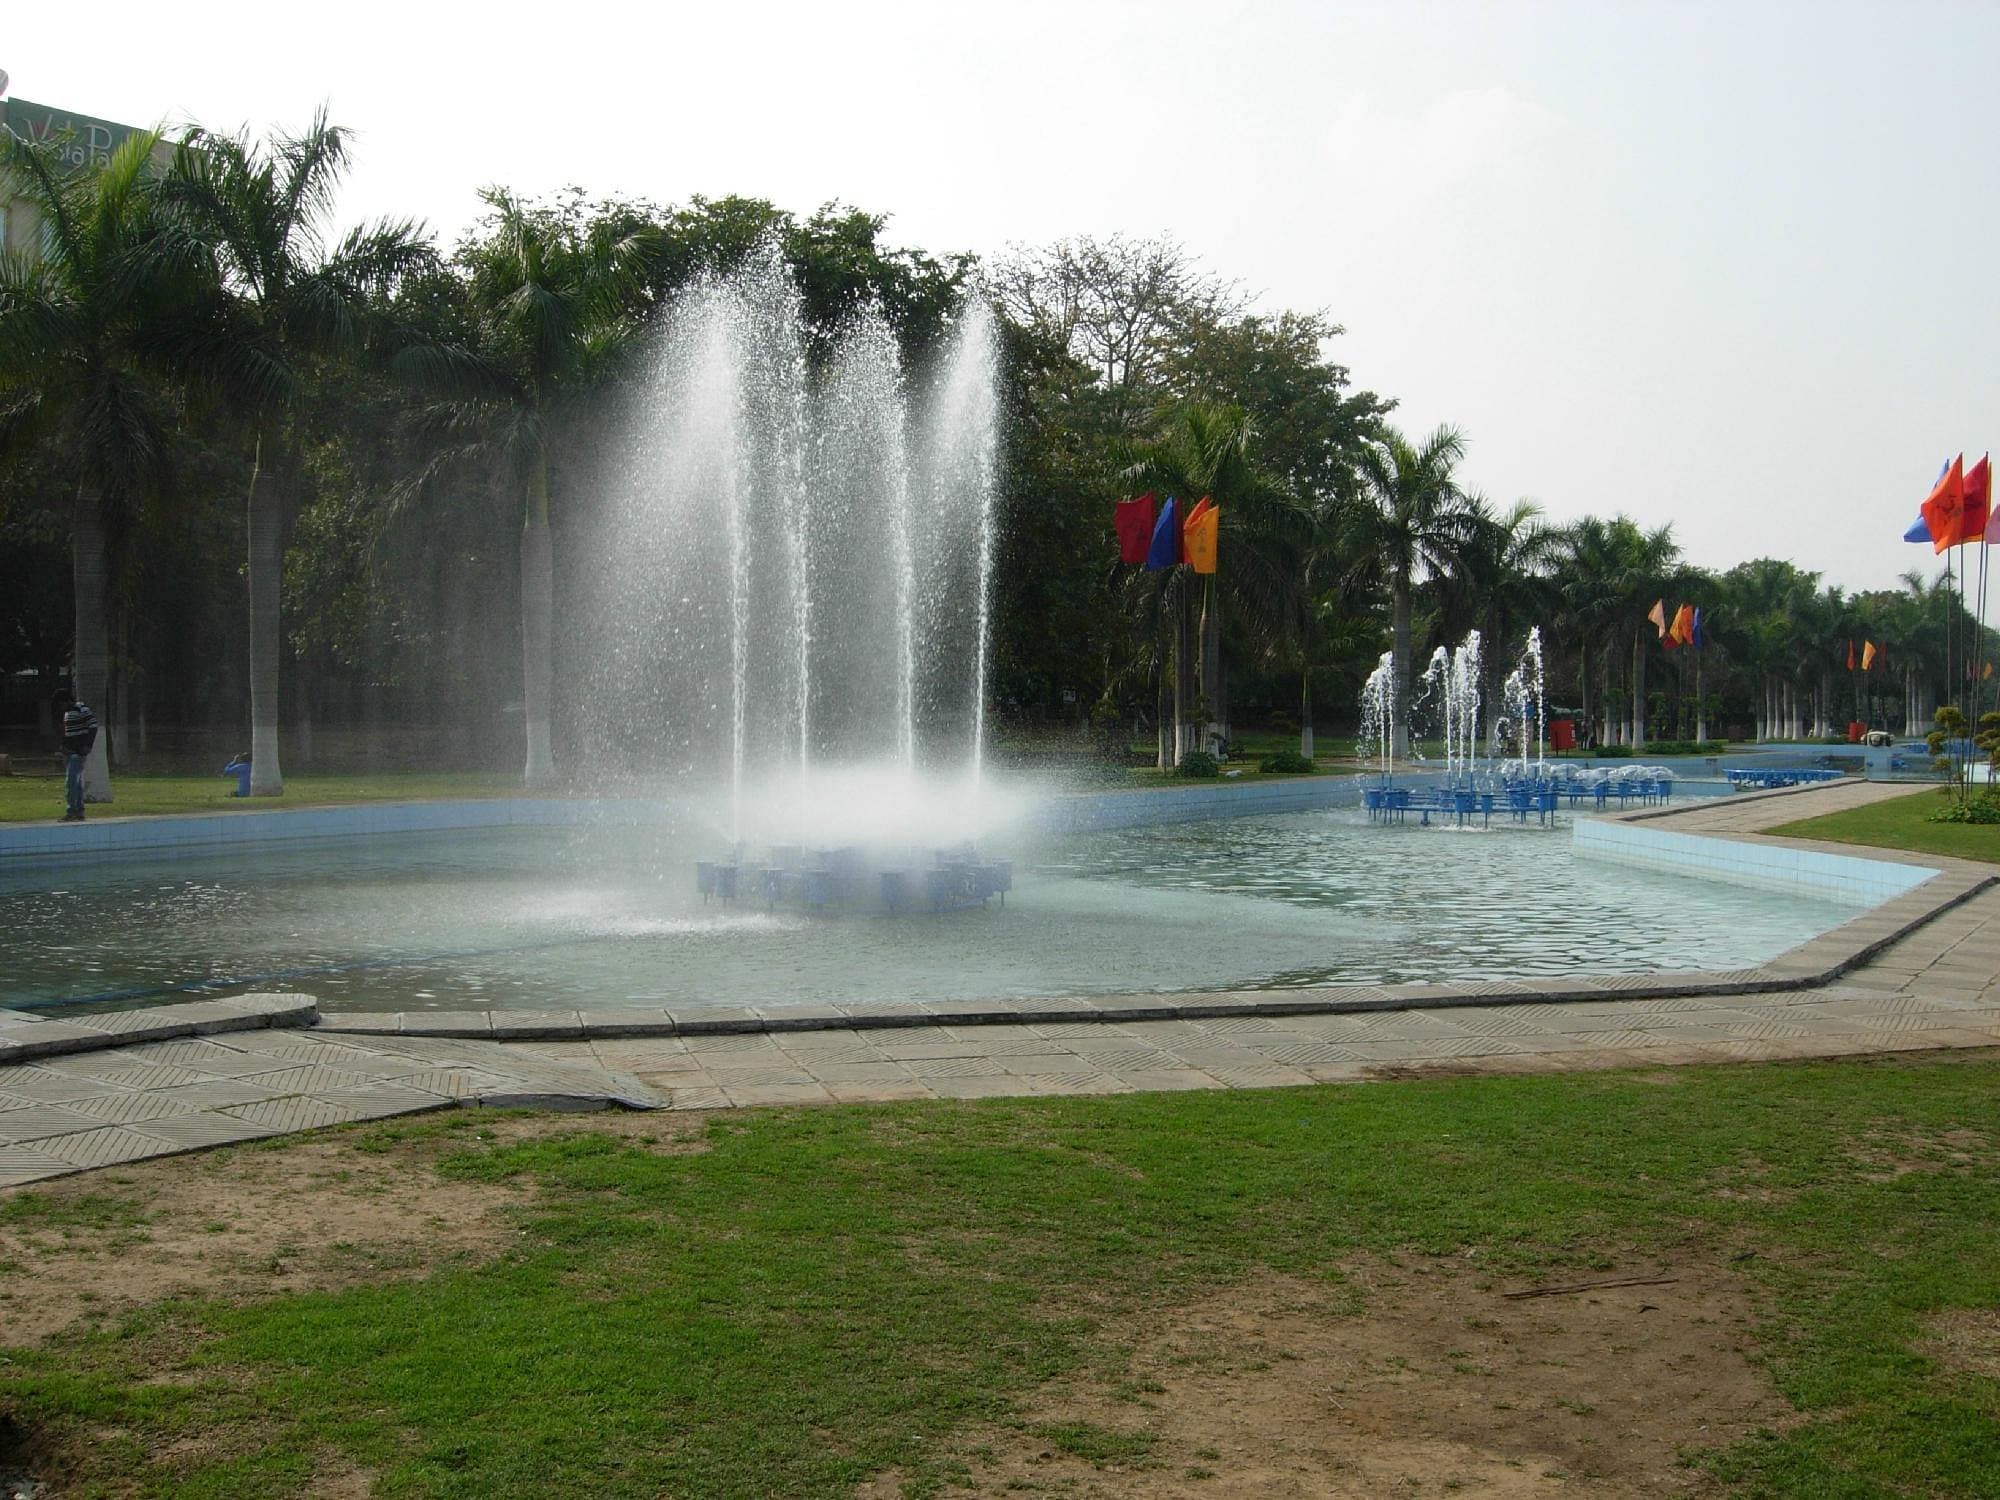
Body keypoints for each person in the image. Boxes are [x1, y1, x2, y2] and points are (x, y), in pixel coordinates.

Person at [56, 693, 98, 823]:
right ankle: (79, 811)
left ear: (68, 700)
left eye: (62, 703)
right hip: (70, 752)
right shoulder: (67, 713)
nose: (60, 706)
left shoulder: (82, 710)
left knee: (71, 782)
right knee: (76, 783)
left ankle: (72, 812)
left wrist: (87, 745)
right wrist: (63, 747)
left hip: (78, 752)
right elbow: (67, 733)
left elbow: (93, 726)